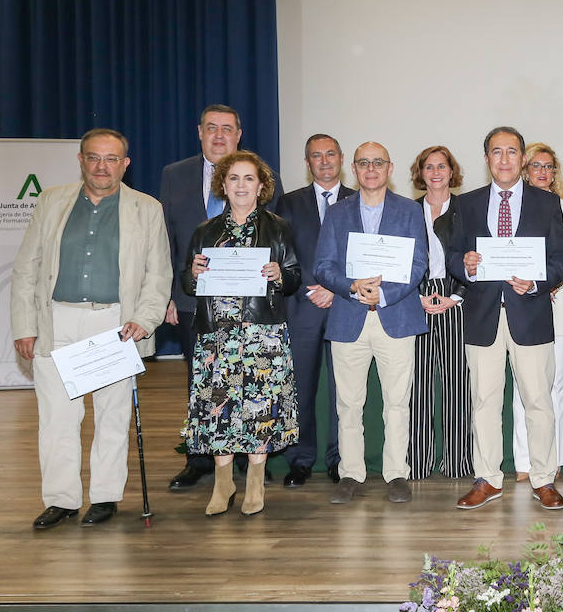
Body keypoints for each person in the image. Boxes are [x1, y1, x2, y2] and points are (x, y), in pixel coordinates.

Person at [11, 129, 171, 530]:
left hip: (114, 325)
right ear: (81, 160)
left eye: (112, 159)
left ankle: (104, 497)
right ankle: (62, 500)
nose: (103, 166)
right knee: (57, 419)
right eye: (95, 158)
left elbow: (158, 274)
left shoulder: (147, 208)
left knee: (112, 416)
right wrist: (24, 325)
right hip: (56, 320)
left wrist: (145, 319)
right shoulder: (50, 202)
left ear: (125, 164)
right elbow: (26, 269)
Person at [160, 104, 283, 491]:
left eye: (226, 129)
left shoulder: (260, 179)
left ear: (238, 134)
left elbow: (272, 247)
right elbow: (166, 240)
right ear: (199, 132)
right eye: (211, 128)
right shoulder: (173, 175)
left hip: (251, 312)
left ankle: (247, 460)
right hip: (190, 301)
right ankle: (199, 461)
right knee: (203, 382)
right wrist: (168, 293)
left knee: (248, 384)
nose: (218, 135)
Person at [448, 126, 563, 511]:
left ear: (522, 158)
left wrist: (536, 283)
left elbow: (562, 261)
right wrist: (465, 266)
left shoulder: (546, 203)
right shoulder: (466, 204)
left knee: (539, 401)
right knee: (484, 401)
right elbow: (454, 256)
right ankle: (487, 478)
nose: (504, 159)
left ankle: (543, 479)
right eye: (496, 152)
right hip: (483, 317)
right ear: (486, 159)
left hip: (530, 314)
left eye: (512, 152)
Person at [182, 151, 302, 516]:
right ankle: (223, 484)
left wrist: (280, 275)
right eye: (233, 178)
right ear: (223, 185)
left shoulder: (278, 228)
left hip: (262, 336)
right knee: (218, 410)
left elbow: (295, 278)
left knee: (259, 410)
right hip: (217, 337)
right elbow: (186, 284)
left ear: (261, 186)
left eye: (248, 178)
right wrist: (194, 274)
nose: (241, 185)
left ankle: (253, 482)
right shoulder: (205, 232)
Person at [314, 142, 429, 504]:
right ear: (354, 168)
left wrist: (382, 294)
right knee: (348, 403)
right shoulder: (337, 213)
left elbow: (418, 265)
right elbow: (323, 266)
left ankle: (396, 474)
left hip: (395, 316)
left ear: (390, 168)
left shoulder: (410, 211)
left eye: (378, 162)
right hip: (349, 317)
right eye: (364, 162)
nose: (371, 168)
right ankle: (351, 473)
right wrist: (351, 286)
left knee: (397, 402)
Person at [274, 134, 353, 487]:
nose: (324, 161)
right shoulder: (288, 204)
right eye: (316, 156)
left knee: (345, 392)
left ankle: (340, 459)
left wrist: (335, 289)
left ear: (341, 159)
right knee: (300, 389)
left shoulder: (359, 200)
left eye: (330, 154)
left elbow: (364, 255)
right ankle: (301, 459)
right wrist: (314, 287)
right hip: (302, 308)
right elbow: (283, 255)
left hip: (346, 307)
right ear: (307, 163)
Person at [510, 142, 563, 479]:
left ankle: (553, 459)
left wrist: (547, 285)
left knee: (555, 384)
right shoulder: (511, 208)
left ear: (555, 173)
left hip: (559, 301)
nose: (542, 172)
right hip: (520, 301)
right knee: (523, 384)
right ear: (525, 171)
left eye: (548, 167)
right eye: (536, 166)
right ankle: (525, 462)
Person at [406, 145, 472, 480]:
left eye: (441, 166)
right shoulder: (407, 210)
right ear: (421, 173)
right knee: (416, 384)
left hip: (456, 297)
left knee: (458, 383)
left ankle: (458, 461)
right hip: (414, 298)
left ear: (451, 171)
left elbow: (475, 256)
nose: (435, 172)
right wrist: (412, 297)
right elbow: (399, 260)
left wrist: (457, 296)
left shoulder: (467, 208)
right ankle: (416, 463)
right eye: (428, 167)